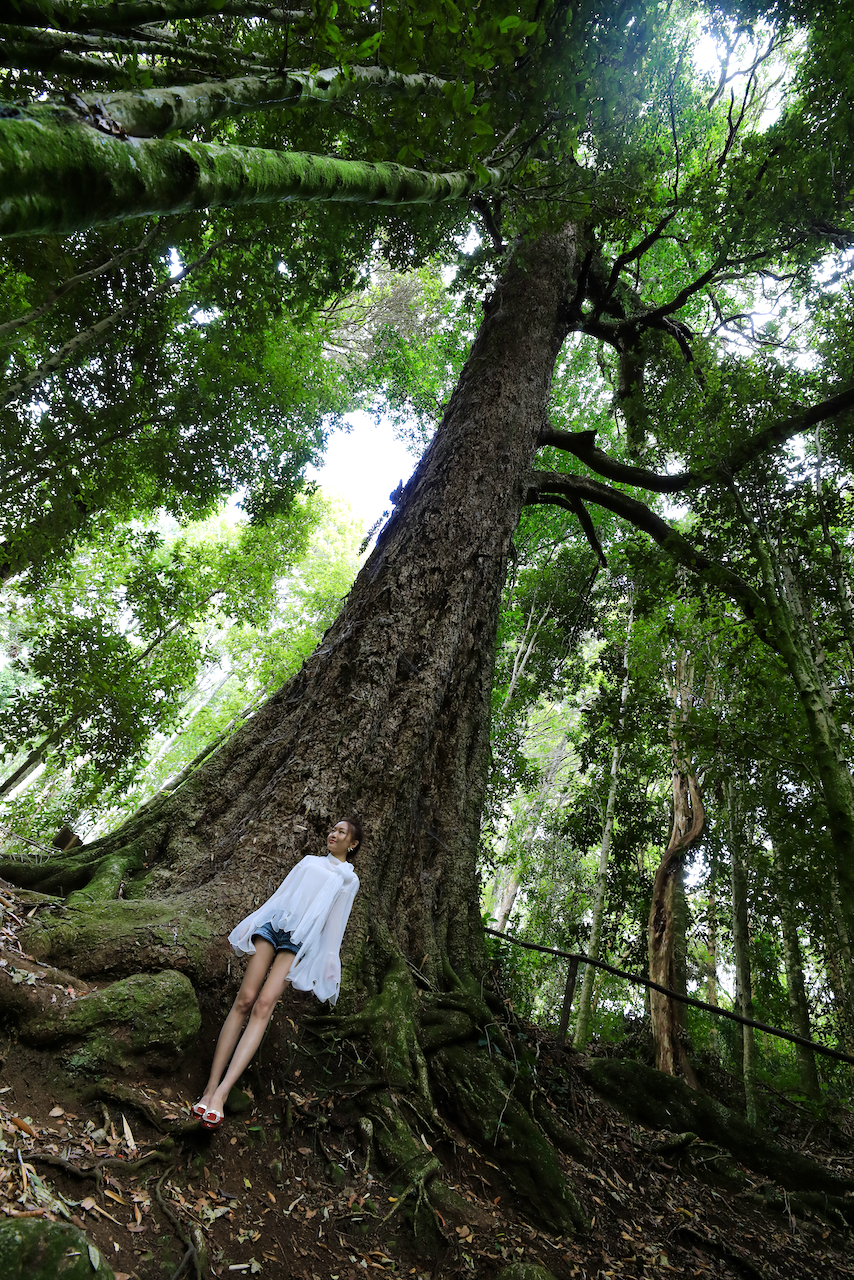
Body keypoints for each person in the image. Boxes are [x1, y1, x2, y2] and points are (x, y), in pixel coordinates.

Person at [193, 816, 362, 1131]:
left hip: (300, 941)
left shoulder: (348, 880)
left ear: (352, 844)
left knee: (263, 1005)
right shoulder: (310, 861)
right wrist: (256, 920)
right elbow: (282, 895)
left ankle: (221, 1095)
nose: (333, 834)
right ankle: (208, 1088)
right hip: (274, 926)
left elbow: (335, 926)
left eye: (342, 832)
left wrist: (325, 963)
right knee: (244, 999)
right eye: (333, 829)